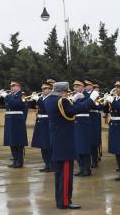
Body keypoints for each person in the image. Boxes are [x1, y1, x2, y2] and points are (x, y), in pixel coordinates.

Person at [45, 81, 94, 209]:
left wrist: (73, 99)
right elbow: (74, 110)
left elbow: (64, 110)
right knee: (66, 175)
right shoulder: (62, 101)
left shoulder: (49, 100)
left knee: (59, 175)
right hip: (65, 142)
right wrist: (90, 100)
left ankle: (60, 201)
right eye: (66, 92)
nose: (67, 94)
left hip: (56, 141)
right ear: (63, 92)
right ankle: (65, 202)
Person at [3, 81, 29, 168]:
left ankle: (19, 162)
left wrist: (6, 96)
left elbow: (15, 104)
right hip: (10, 120)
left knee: (18, 143)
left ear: (19, 86)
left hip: (18, 121)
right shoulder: (11, 95)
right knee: (12, 142)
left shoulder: (22, 95)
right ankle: (15, 160)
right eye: (11, 86)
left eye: (14, 86)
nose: (11, 87)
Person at [71, 80, 94, 177]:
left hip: (84, 123)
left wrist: (74, 102)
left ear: (83, 87)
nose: (76, 88)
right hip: (75, 123)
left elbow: (84, 107)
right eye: (75, 86)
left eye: (78, 86)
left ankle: (87, 169)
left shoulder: (87, 96)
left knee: (84, 147)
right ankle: (81, 168)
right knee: (77, 147)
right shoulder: (73, 96)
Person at [31, 83, 54, 172]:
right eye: (42, 88)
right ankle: (46, 164)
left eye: (45, 88)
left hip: (47, 122)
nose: (43, 90)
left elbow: (46, 107)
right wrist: (33, 100)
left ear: (50, 89)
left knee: (47, 145)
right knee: (42, 145)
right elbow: (32, 106)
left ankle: (51, 164)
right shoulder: (42, 98)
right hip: (40, 122)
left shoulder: (51, 98)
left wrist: (38, 100)